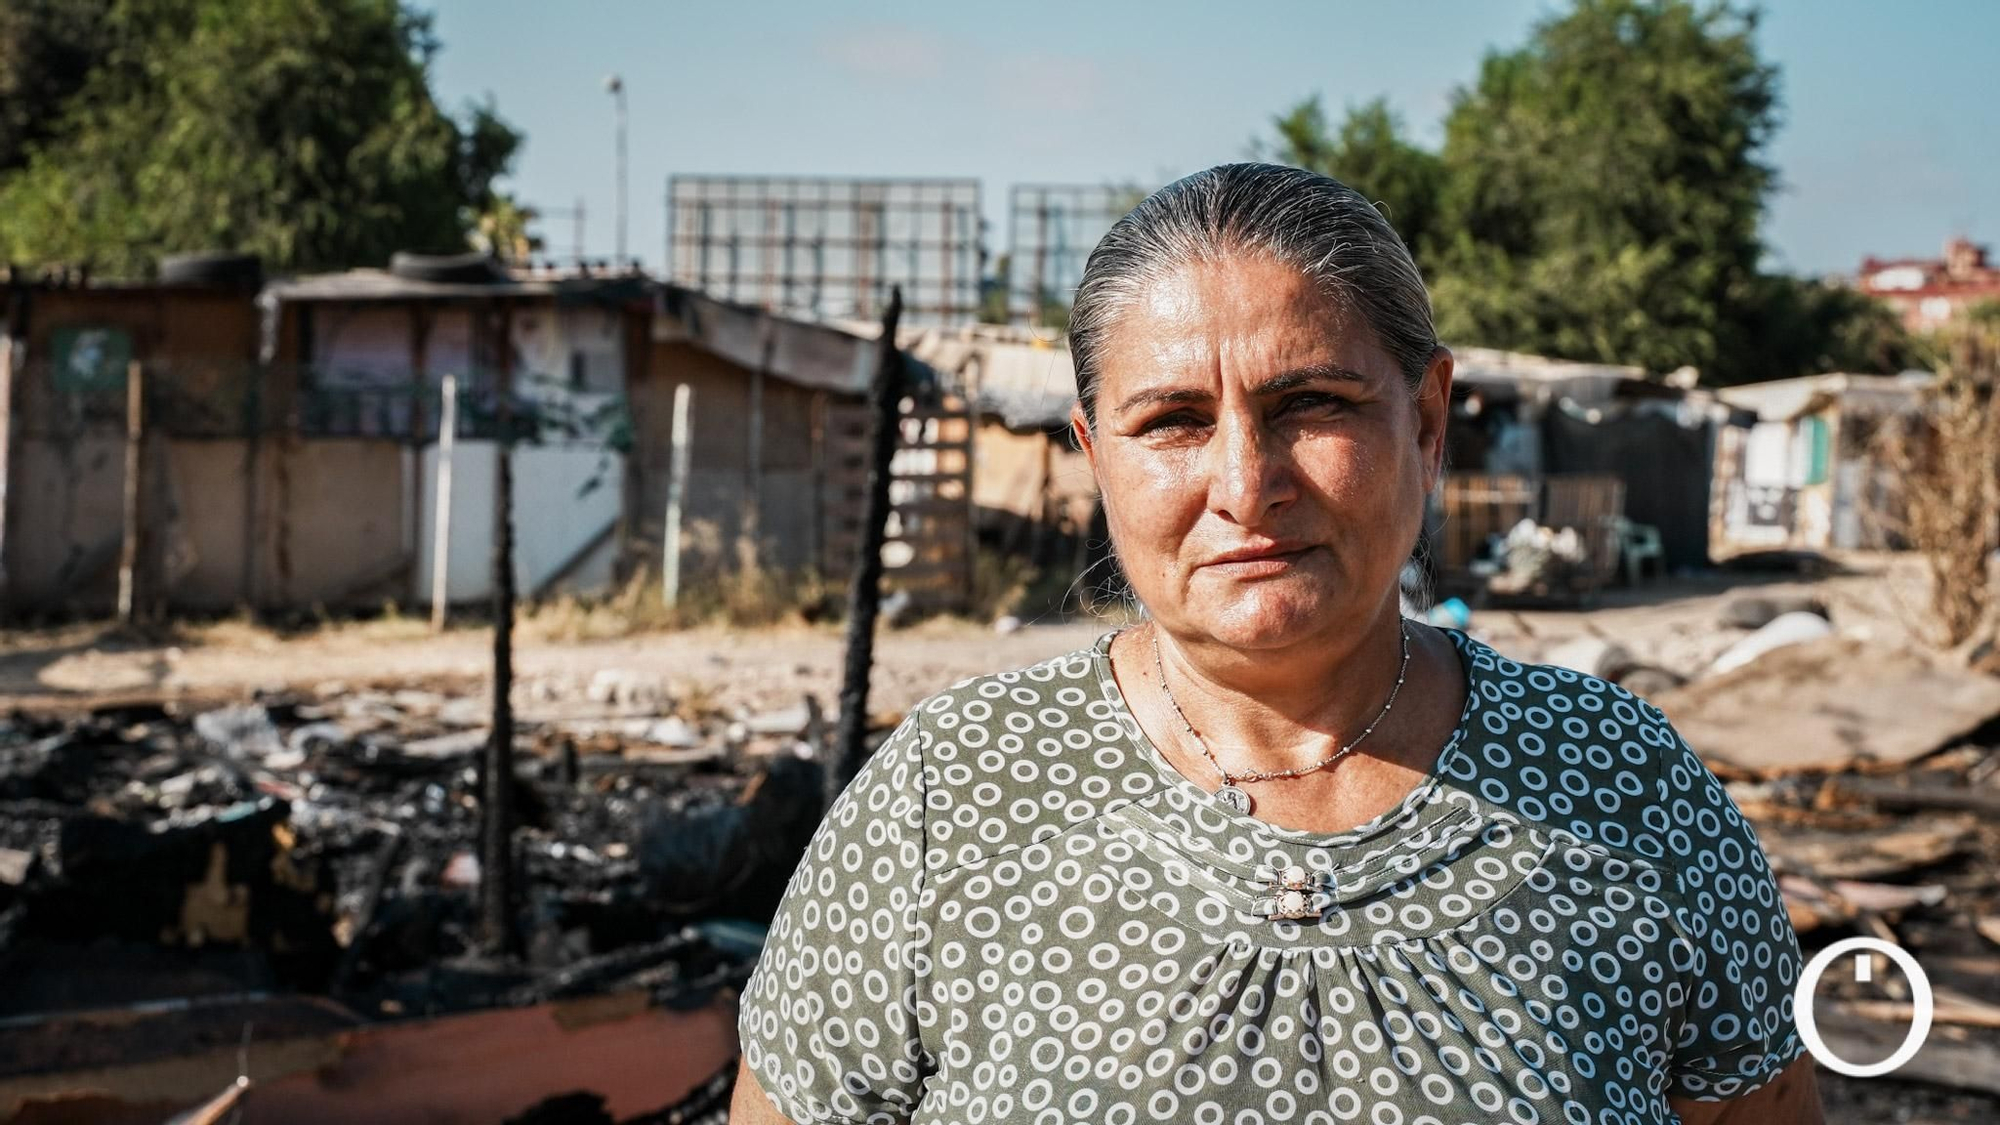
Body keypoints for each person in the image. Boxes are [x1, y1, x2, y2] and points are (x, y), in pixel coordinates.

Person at [731, 163, 1823, 1125]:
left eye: (1310, 403)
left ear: (1425, 421)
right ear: (1095, 455)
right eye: (1171, 422)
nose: (1246, 486)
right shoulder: (952, 793)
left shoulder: (1624, 787)